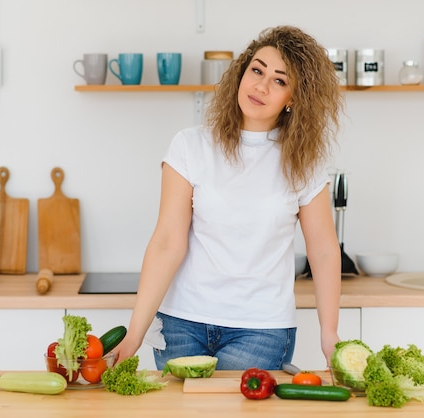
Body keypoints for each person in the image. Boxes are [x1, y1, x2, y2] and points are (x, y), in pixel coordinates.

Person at [112, 25, 343, 370]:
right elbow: (167, 243)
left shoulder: (304, 163)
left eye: (280, 81)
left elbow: (323, 251)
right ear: (241, 72)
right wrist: (134, 333)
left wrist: (330, 333)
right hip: (181, 323)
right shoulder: (190, 146)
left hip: (262, 330)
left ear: (293, 98)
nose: (262, 86)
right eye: (257, 70)